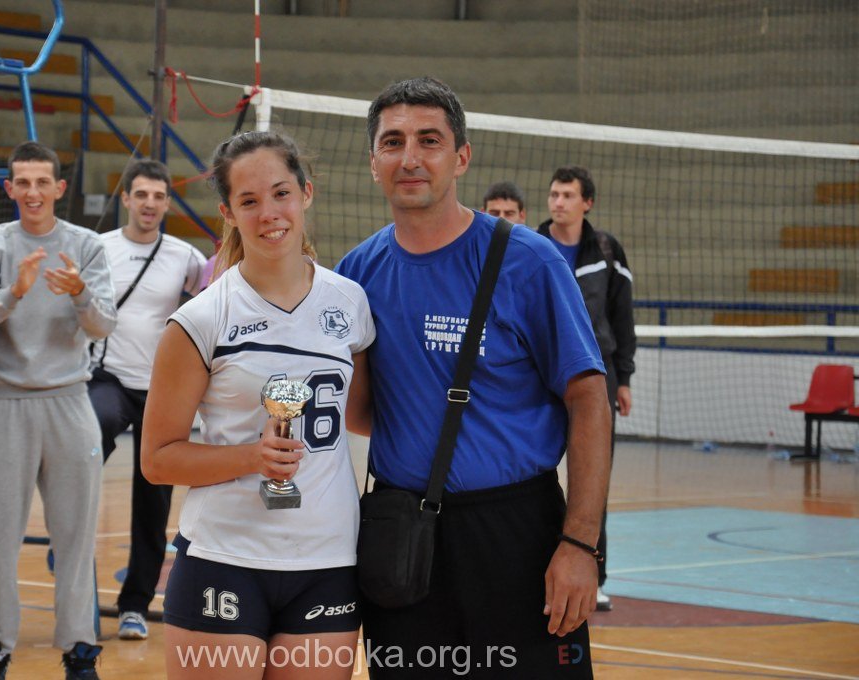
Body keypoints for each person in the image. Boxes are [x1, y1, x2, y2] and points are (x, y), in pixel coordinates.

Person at [335, 77, 611, 678]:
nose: (410, 157)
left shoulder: (529, 262)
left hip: (517, 536)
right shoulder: (354, 275)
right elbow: (358, 413)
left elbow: (589, 399)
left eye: (429, 140)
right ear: (373, 162)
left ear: (461, 157)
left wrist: (581, 544)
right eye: (393, 142)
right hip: (403, 537)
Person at [141, 130, 374, 680]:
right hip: (225, 558)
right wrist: (252, 458)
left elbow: (363, 416)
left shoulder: (350, 302)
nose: (269, 213)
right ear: (228, 212)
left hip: (328, 560)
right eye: (249, 201)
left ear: (306, 193)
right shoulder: (202, 318)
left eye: (281, 193)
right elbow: (157, 459)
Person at [0, 141, 117, 679]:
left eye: (41, 182)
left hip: (69, 400)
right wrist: (14, 292)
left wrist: (79, 294)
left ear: (59, 188)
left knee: (76, 535)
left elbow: (103, 325)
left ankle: (79, 651)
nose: (32, 192)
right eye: (22, 183)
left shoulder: (86, 246)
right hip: (6, 401)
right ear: (9, 188)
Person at [89, 159, 206, 639]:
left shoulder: (185, 257)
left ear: (167, 203)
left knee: (153, 501)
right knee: (90, 431)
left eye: (159, 196)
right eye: (141, 194)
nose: (150, 204)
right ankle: (69, 526)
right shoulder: (99, 248)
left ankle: (134, 606)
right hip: (110, 379)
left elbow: (212, 297)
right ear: (126, 199)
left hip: (162, 389)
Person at [537, 165, 636, 612]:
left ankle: (594, 574)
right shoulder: (531, 246)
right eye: (554, 194)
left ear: (587, 203)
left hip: (596, 375)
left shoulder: (606, 251)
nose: (558, 202)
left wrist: (625, 378)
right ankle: (536, 566)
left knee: (594, 476)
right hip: (539, 372)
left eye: (567, 195)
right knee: (534, 473)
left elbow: (622, 316)